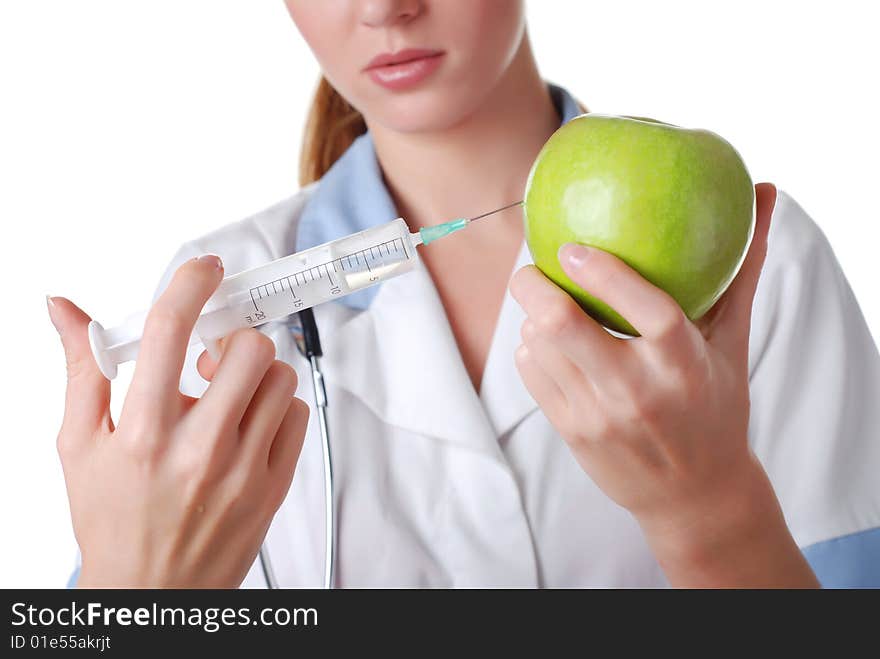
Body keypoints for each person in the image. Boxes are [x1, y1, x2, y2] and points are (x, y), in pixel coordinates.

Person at [47, 0, 880, 588]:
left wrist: (712, 509)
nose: (384, 7)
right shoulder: (216, 297)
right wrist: (128, 601)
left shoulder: (757, 267)